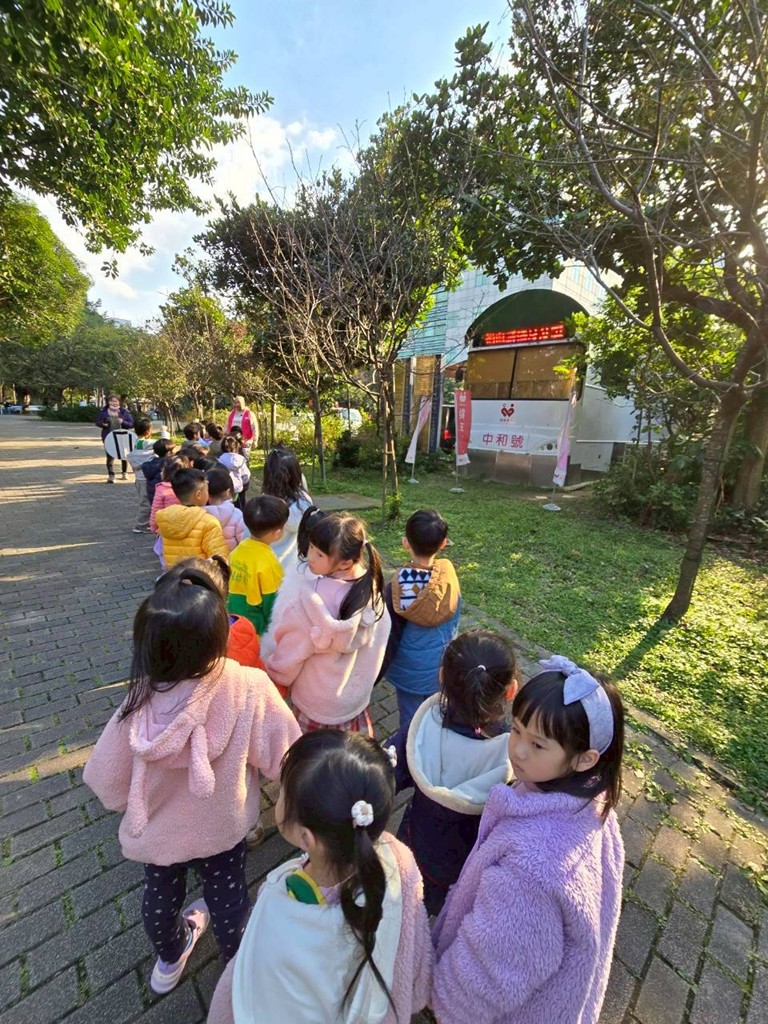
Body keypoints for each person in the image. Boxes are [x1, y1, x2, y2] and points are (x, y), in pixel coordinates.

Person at [82, 567, 301, 995]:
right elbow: (286, 753)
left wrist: (122, 802)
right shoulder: (248, 686)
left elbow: (106, 778)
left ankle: (170, 955)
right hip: (221, 826)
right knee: (229, 901)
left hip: (160, 833)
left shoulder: (140, 698)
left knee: (159, 904)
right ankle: (239, 968)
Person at [431, 655, 626, 1024]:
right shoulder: (592, 802)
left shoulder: (532, 871)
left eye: (537, 745)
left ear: (584, 759)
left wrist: (441, 1000)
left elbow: (487, 973)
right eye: (517, 729)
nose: (517, 749)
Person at [206, 730, 433, 1024]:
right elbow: (413, 947)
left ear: (306, 837)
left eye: (282, 793)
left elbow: (249, 989)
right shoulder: (399, 860)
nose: (278, 797)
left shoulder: (281, 910)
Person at [389, 630, 517, 916]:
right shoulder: (514, 755)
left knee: (409, 903)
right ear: (511, 690)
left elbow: (387, 774)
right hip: (466, 866)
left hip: (416, 844)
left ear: (441, 677)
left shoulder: (421, 728)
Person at [263, 508, 390, 737]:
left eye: (319, 554)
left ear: (345, 563)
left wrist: (272, 674)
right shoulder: (372, 593)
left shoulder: (308, 604)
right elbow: (380, 644)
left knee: (310, 757)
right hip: (354, 703)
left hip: (315, 706)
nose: (309, 556)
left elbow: (287, 661)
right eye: (311, 546)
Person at [381, 509, 462, 732]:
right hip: (440, 666)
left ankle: (409, 750)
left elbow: (388, 634)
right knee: (436, 712)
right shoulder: (449, 580)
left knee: (410, 719)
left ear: (405, 543)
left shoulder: (396, 588)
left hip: (409, 672)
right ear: (443, 543)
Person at [228, 496, 288, 634]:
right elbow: (272, 605)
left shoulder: (238, 549)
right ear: (277, 533)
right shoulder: (270, 564)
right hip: (256, 629)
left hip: (234, 621)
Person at [155, 468, 229, 567]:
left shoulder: (166, 519)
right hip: (200, 575)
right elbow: (219, 559)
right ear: (198, 495)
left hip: (174, 574)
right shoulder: (208, 522)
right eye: (207, 490)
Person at [261, 445, 312, 575]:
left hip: (267, 566)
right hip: (294, 567)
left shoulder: (261, 503)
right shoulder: (303, 503)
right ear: (296, 475)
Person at [205, 467, 247, 552]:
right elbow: (244, 541)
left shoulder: (198, 513)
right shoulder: (237, 514)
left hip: (205, 559)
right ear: (228, 491)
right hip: (231, 558)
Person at [126, 417, 156, 533]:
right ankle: (140, 526)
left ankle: (147, 523)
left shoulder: (135, 443)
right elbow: (163, 443)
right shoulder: (146, 443)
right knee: (146, 503)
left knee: (146, 501)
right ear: (148, 431)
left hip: (139, 478)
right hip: (144, 479)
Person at [95, 394, 134, 482]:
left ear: (119, 402)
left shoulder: (124, 412)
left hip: (122, 437)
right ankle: (111, 475)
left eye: (116, 401)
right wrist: (103, 424)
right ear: (108, 402)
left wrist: (123, 422)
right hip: (109, 437)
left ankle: (124, 472)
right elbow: (97, 422)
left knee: (124, 455)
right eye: (112, 401)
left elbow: (131, 424)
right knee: (110, 456)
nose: (114, 403)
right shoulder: (103, 411)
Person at [218, 435, 251, 512]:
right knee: (241, 507)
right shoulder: (241, 460)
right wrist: (243, 482)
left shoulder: (220, 460)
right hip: (239, 488)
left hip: (226, 489)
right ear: (236, 446)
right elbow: (246, 475)